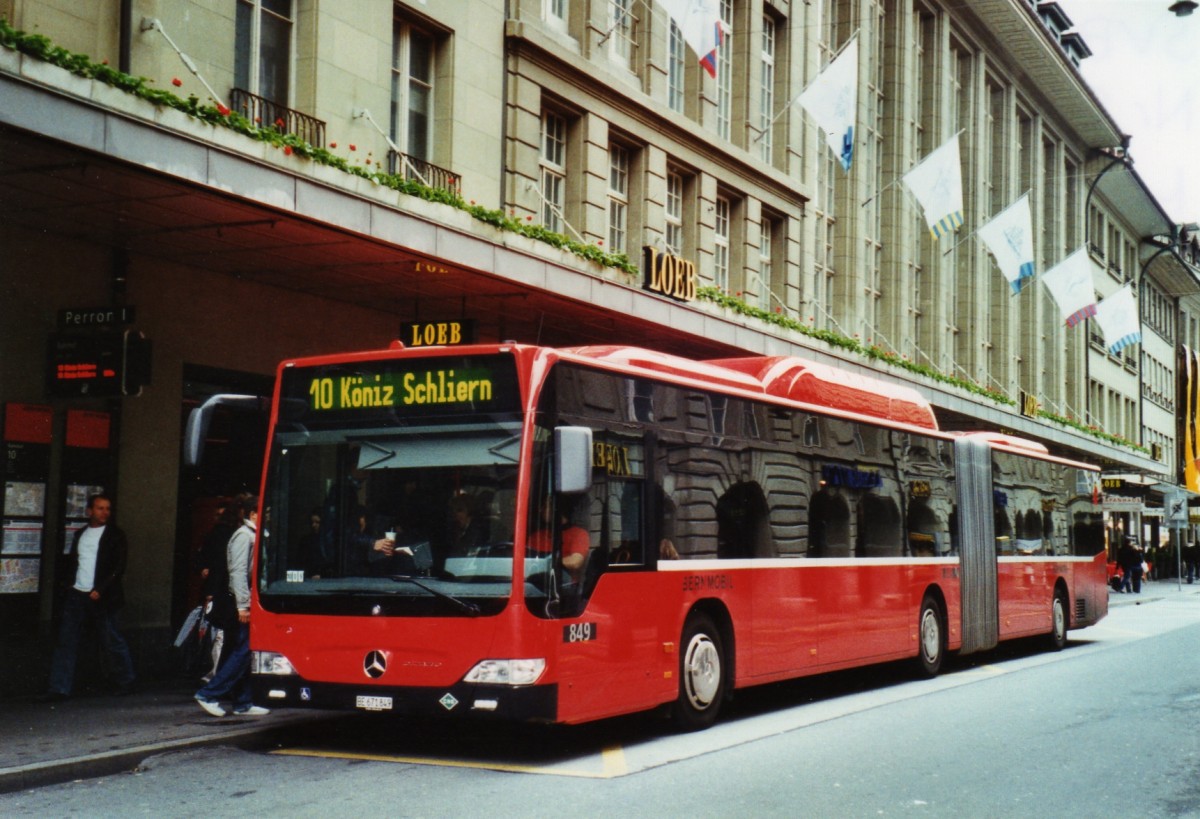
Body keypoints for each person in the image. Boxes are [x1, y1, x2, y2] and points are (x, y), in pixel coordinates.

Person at [40, 493, 136, 701]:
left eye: (108, 508)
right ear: (89, 511)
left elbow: (118, 566)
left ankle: (125, 681)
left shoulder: (115, 535)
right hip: (78, 593)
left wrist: (100, 589)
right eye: (100, 508)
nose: (105, 513)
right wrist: (70, 585)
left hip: (102, 596)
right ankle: (59, 688)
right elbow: (76, 562)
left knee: (111, 639)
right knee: (66, 640)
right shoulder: (81, 534)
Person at [195, 495, 270, 717]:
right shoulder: (243, 536)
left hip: (244, 602)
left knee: (244, 648)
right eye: (265, 514)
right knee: (245, 649)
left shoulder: (252, 535)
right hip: (239, 604)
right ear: (252, 514)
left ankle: (242, 702)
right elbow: (238, 573)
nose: (268, 517)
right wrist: (243, 606)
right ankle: (209, 693)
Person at [197, 495, 247, 682]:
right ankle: (217, 682)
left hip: (223, 591)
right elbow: (221, 566)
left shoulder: (224, 532)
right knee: (224, 639)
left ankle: (219, 681)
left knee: (225, 639)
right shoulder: (232, 534)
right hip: (225, 593)